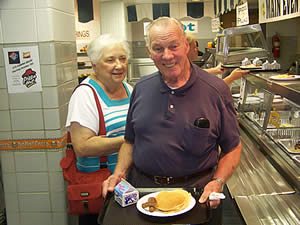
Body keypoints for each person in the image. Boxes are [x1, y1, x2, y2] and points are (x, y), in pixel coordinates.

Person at [102, 17, 242, 225]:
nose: (167, 56)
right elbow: (130, 141)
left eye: (173, 46)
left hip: (198, 195)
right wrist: (119, 173)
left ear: (186, 45)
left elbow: (232, 148)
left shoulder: (216, 90)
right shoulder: (140, 89)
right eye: (158, 48)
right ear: (150, 53)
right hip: (145, 195)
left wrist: (218, 182)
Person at [65, 34, 132, 225]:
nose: (118, 65)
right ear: (94, 64)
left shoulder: (128, 89)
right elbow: (83, 146)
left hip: (127, 183)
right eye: (110, 60)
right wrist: (130, 139)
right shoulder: (86, 95)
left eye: (122, 58)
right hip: (100, 189)